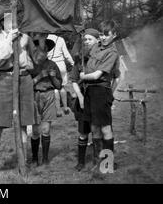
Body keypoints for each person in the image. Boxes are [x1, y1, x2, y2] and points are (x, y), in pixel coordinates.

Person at [0, 10, 48, 181]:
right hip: (4, 80)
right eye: (9, 20)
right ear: (3, 23)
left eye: (15, 20)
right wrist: (10, 40)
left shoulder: (25, 38)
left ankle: (23, 163)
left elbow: (39, 60)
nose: (13, 23)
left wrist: (40, 41)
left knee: (23, 123)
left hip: (24, 80)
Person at [80, 20, 120, 170]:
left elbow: (97, 75)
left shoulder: (112, 52)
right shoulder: (97, 46)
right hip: (90, 91)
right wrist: (81, 35)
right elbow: (83, 52)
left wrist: (83, 77)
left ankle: (107, 164)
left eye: (107, 34)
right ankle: (98, 161)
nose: (103, 37)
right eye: (101, 34)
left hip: (101, 90)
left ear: (114, 35)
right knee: (95, 127)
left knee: (105, 128)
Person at [70, 28, 100, 171]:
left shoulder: (103, 57)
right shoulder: (79, 59)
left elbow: (115, 76)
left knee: (97, 130)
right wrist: (80, 97)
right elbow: (74, 80)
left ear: (97, 40)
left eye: (90, 39)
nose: (87, 42)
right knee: (83, 132)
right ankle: (81, 162)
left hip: (98, 97)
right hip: (83, 98)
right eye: (85, 39)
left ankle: (97, 161)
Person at [30, 38, 62, 166]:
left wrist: (53, 77)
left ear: (48, 51)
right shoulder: (30, 65)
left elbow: (59, 86)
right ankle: (34, 158)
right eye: (39, 50)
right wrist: (39, 76)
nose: (42, 53)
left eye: (45, 50)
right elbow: (26, 86)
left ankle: (45, 158)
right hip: (34, 96)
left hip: (49, 95)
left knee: (46, 129)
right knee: (35, 130)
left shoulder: (52, 65)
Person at [47, 34, 75, 116]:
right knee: (62, 87)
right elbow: (66, 54)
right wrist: (73, 63)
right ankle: (66, 108)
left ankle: (58, 110)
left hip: (51, 64)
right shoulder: (60, 39)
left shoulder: (46, 38)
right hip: (61, 64)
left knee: (54, 88)